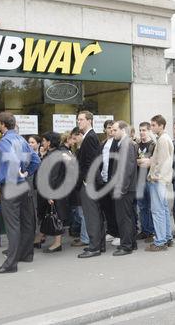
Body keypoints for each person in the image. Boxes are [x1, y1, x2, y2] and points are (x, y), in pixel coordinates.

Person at [0, 112, 40, 273]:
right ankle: (26, 254)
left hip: (11, 185)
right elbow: (35, 160)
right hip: (23, 185)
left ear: (3, 125)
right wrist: (25, 173)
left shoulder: (5, 140)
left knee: (13, 225)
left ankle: (11, 263)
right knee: (27, 221)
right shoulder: (21, 139)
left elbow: (11, 160)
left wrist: (17, 174)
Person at [76, 111, 105, 259]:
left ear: (89, 121)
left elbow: (93, 162)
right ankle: (98, 245)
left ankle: (94, 247)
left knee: (91, 215)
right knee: (94, 215)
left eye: (81, 119)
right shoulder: (89, 137)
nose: (78, 122)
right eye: (78, 119)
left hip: (90, 183)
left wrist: (87, 181)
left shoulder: (91, 137)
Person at [37, 131, 71, 253]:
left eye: (44, 141)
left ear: (50, 142)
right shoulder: (51, 153)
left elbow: (53, 176)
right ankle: (41, 237)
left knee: (56, 216)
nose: (42, 143)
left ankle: (57, 243)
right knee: (50, 214)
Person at [144, 115, 174, 251]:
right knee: (163, 209)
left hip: (158, 180)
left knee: (157, 211)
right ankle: (167, 237)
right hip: (164, 179)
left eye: (154, 125)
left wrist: (154, 176)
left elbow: (162, 161)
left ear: (161, 126)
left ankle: (161, 241)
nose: (152, 127)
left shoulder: (162, 140)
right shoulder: (164, 138)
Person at [110, 121, 138, 256]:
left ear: (123, 130)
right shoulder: (123, 144)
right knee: (128, 217)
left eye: (115, 130)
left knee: (124, 218)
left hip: (124, 189)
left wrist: (122, 189)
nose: (112, 132)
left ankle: (126, 246)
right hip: (126, 188)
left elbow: (127, 169)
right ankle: (131, 243)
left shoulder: (126, 144)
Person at [98, 119, 120, 246]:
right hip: (104, 179)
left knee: (115, 207)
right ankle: (111, 231)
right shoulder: (103, 143)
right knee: (107, 207)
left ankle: (118, 233)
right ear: (105, 129)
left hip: (113, 180)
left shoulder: (118, 143)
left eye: (113, 128)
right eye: (109, 128)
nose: (111, 130)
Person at [136, 122, 156, 242]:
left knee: (152, 207)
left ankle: (152, 231)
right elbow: (134, 160)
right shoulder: (136, 145)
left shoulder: (153, 145)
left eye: (144, 130)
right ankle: (145, 231)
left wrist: (142, 161)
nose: (142, 132)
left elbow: (152, 161)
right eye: (140, 130)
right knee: (142, 207)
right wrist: (143, 161)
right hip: (139, 180)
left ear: (149, 131)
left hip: (149, 180)